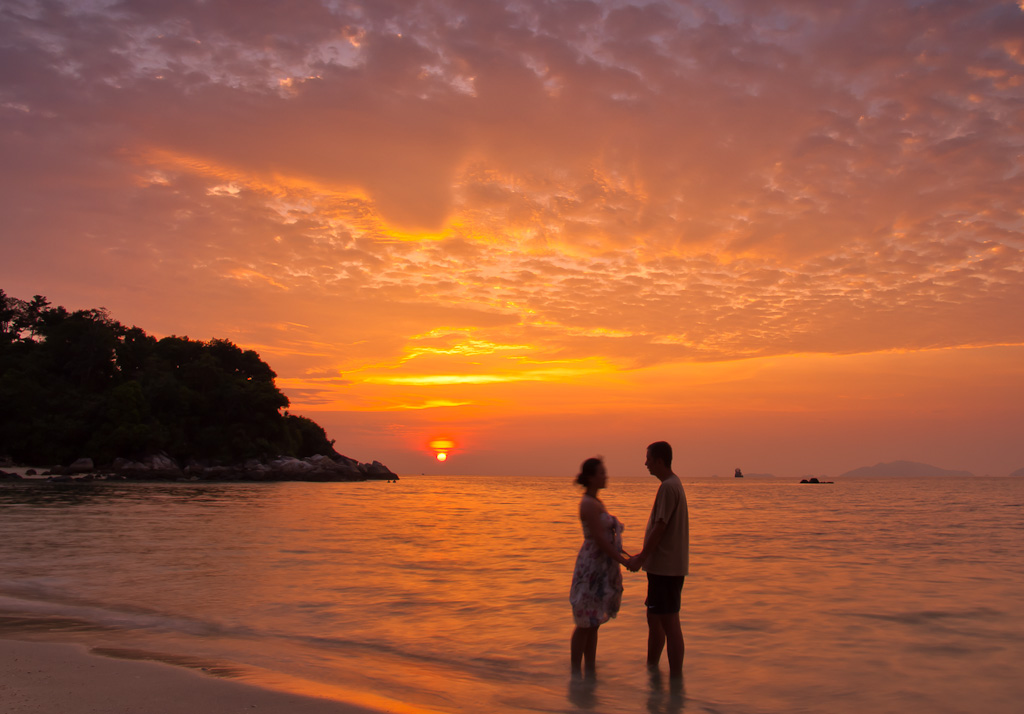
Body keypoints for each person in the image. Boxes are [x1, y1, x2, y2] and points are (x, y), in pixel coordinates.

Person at [628, 441, 689, 678]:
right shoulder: (673, 485)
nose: (645, 463)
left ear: (660, 461)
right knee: (654, 618)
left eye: (649, 459)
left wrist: (641, 557)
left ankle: (675, 680)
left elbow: (660, 526)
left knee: (669, 621)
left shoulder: (668, 487)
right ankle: (652, 673)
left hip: (667, 568)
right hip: (664, 568)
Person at [569, 457, 630, 675]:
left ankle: (591, 670)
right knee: (584, 621)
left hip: (600, 566)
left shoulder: (597, 502)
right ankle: (576, 673)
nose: (606, 476)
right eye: (602, 472)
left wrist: (626, 555)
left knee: (593, 621)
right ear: (592, 477)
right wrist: (622, 561)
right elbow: (600, 540)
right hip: (591, 568)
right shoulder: (587, 504)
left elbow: (607, 538)